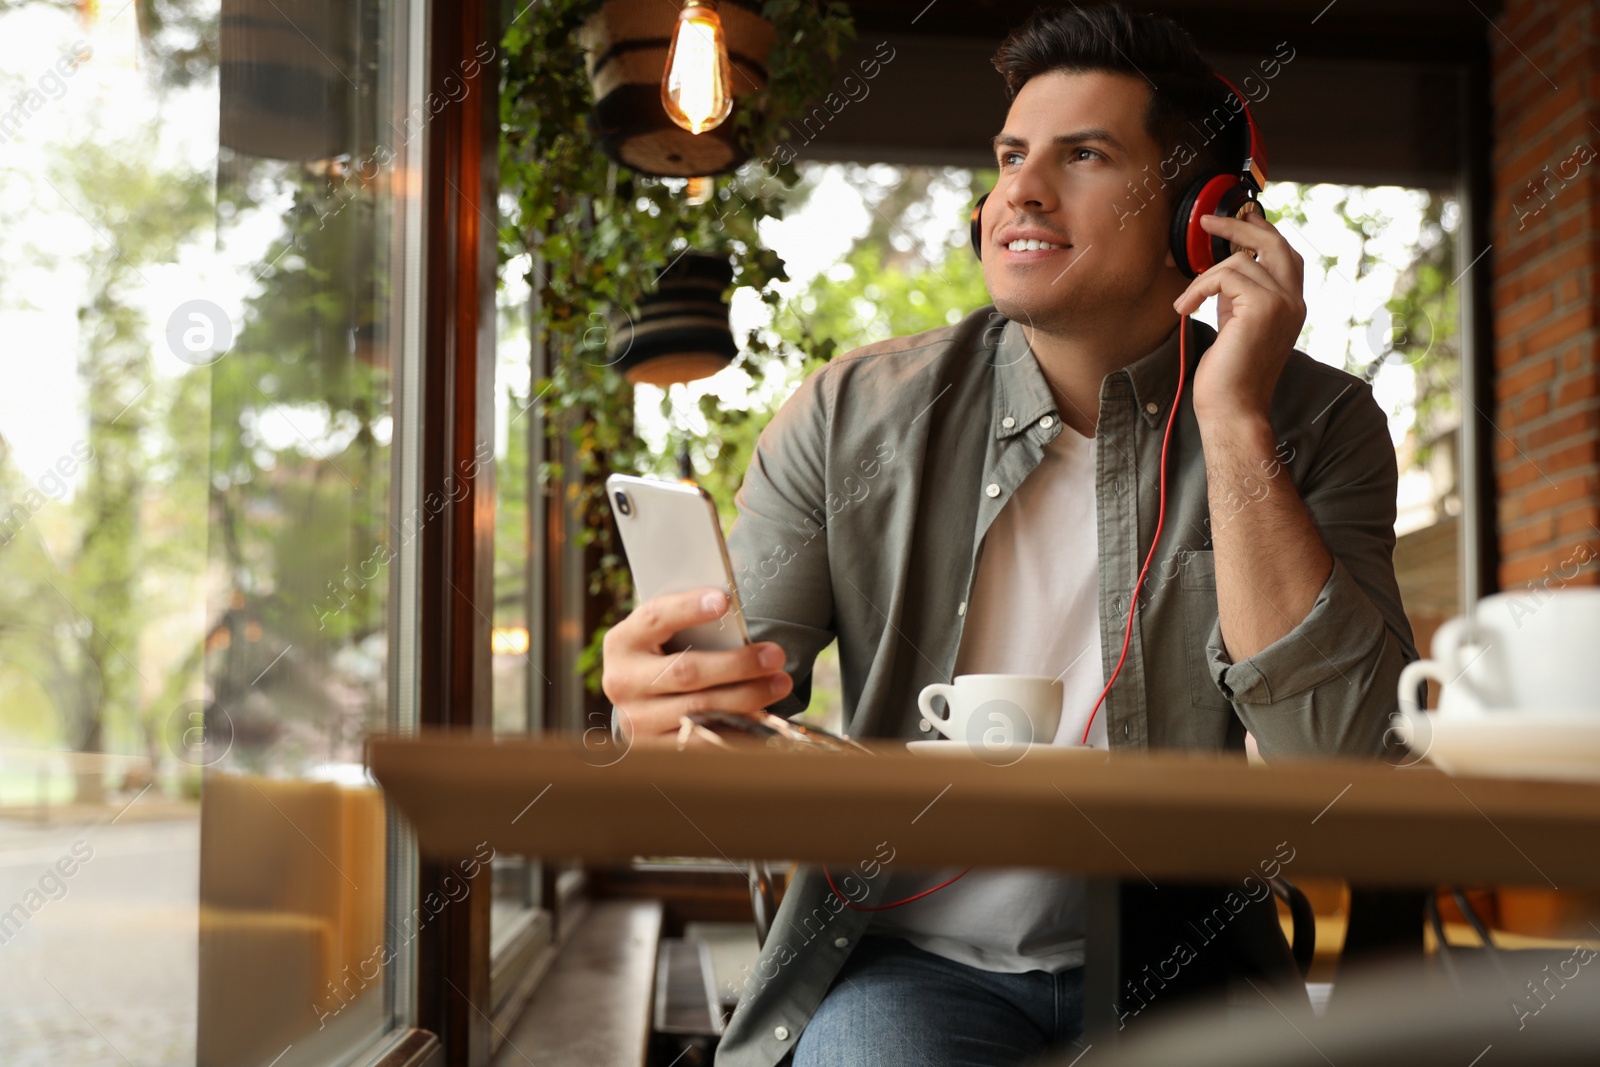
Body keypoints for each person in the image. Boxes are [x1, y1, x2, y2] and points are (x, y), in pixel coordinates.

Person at [601, 3, 1417, 1065]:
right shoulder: (851, 416)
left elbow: (1350, 769)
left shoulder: (1315, 425)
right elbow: (734, 727)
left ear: (1202, 217)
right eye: (1009, 156)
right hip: (906, 963)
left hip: (1187, 968)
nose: (1017, 193)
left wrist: (1232, 420)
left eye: (1083, 155)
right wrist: (659, 718)